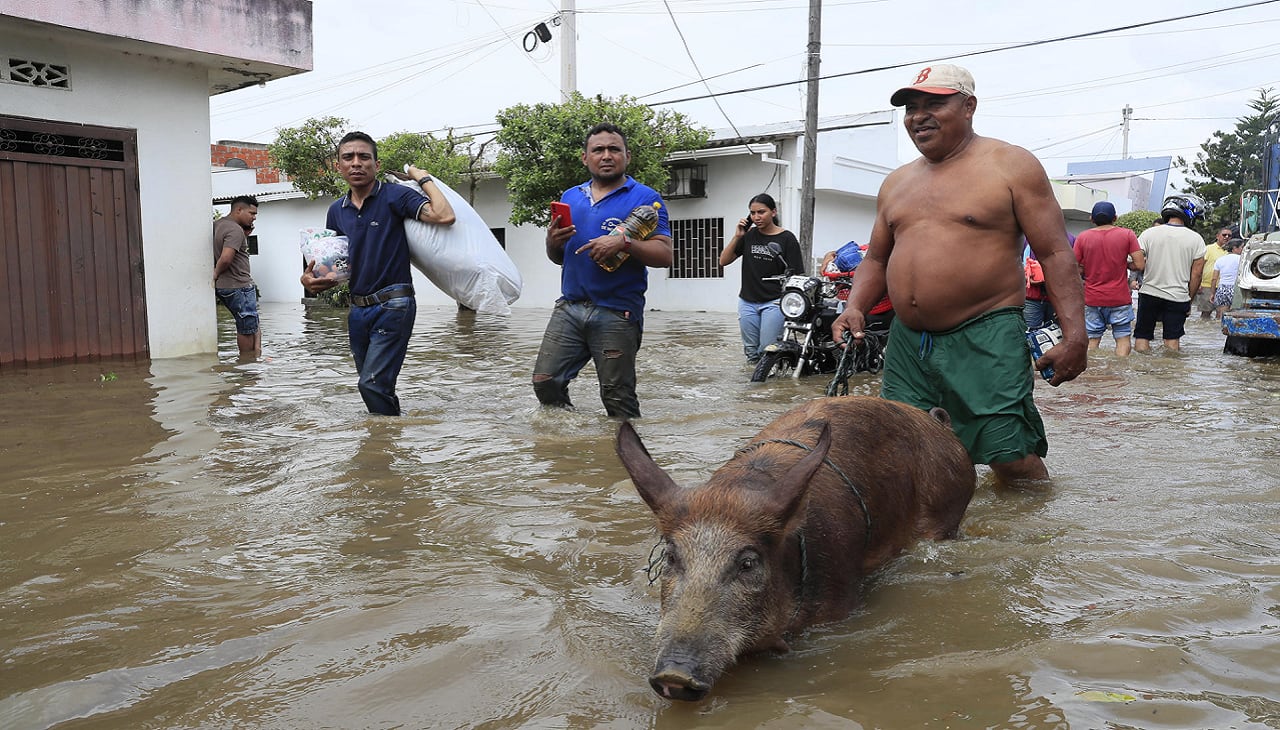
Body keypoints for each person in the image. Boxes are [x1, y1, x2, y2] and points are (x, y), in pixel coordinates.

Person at [830, 63, 1086, 486]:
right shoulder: (896, 183)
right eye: (911, 107)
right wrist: (854, 306)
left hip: (985, 331)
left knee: (1011, 459)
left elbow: (1056, 252)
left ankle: (1024, 545)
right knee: (902, 455)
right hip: (909, 341)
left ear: (968, 106)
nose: (918, 115)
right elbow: (875, 260)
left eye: (934, 103)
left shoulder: (1011, 165)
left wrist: (1075, 337)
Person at [300, 131, 456, 416]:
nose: (356, 163)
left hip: (394, 303)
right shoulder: (337, 210)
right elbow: (334, 267)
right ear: (339, 166)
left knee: (371, 385)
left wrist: (422, 178)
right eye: (348, 157)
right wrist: (311, 281)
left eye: (364, 157)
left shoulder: (396, 196)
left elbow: (444, 216)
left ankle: (382, 448)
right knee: (377, 386)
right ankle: (387, 442)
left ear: (377, 164)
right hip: (357, 310)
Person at [534, 123, 672, 419]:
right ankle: (569, 443)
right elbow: (559, 258)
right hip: (569, 307)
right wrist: (551, 241)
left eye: (614, 149)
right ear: (585, 158)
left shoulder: (646, 198)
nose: (606, 155)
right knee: (545, 382)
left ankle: (622, 457)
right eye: (598, 150)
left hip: (616, 311)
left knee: (617, 397)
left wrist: (624, 242)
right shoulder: (569, 197)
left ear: (627, 156)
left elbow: (664, 255)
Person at [719, 193, 804, 363]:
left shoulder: (787, 238)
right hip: (747, 301)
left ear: (773, 212)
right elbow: (723, 261)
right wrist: (738, 236)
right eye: (752, 213)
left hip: (773, 302)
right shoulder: (749, 236)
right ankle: (752, 388)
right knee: (751, 352)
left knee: (767, 349)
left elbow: (797, 275)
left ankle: (772, 385)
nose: (756, 217)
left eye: (761, 212)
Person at [1133, 194, 1207, 353]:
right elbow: (1196, 274)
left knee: (1142, 336)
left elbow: (1135, 261)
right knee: (1172, 339)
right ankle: (1169, 376)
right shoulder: (1196, 239)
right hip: (1178, 297)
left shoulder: (1149, 233)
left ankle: (1140, 373)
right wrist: (1189, 299)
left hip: (1149, 293)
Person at [1073, 201, 1145, 356]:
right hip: (1119, 298)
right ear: (1115, 218)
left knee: (1092, 341)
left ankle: (1090, 374)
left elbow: (1073, 267)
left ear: (1092, 219)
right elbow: (1140, 264)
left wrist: (1087, 268)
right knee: (1123, 339)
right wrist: (1123, 264)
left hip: (1092, 298)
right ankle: (1120, 374)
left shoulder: (1082, 237)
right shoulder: (1127, 235)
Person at [213, 195, 261, 355]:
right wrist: (215, 274)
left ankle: (256, 357)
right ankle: (248, 366)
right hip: (239, 285)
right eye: (251, 213)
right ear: (238, 210)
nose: (254, 218)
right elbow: (226, 258)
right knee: (247, 328)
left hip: (227, 286)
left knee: (250, 323)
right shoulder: (235, 230)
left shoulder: (217, 225)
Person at [1195, 228, 1233, 319]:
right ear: (1217, 236)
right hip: (1207, 286)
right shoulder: (1208, 249)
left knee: (1221, 315)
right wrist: (1198, 284)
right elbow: (1199, 265)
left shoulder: (1231, 252)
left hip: (1224, 287)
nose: (1226, 237)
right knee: (1205, 314)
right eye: (1224, 235)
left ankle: (1217, 333)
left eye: (1229, 235)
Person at [1210, 237, 1245, 319]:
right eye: (1242, 247)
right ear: (1234, 248)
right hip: (1236, 289)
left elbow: (1214, 279)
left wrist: (1212, 293)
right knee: (1236, 316)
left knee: (1221, 316)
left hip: (1222, 289)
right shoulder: (1242, 259)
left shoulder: (1220, 260)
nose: (1243, 249)